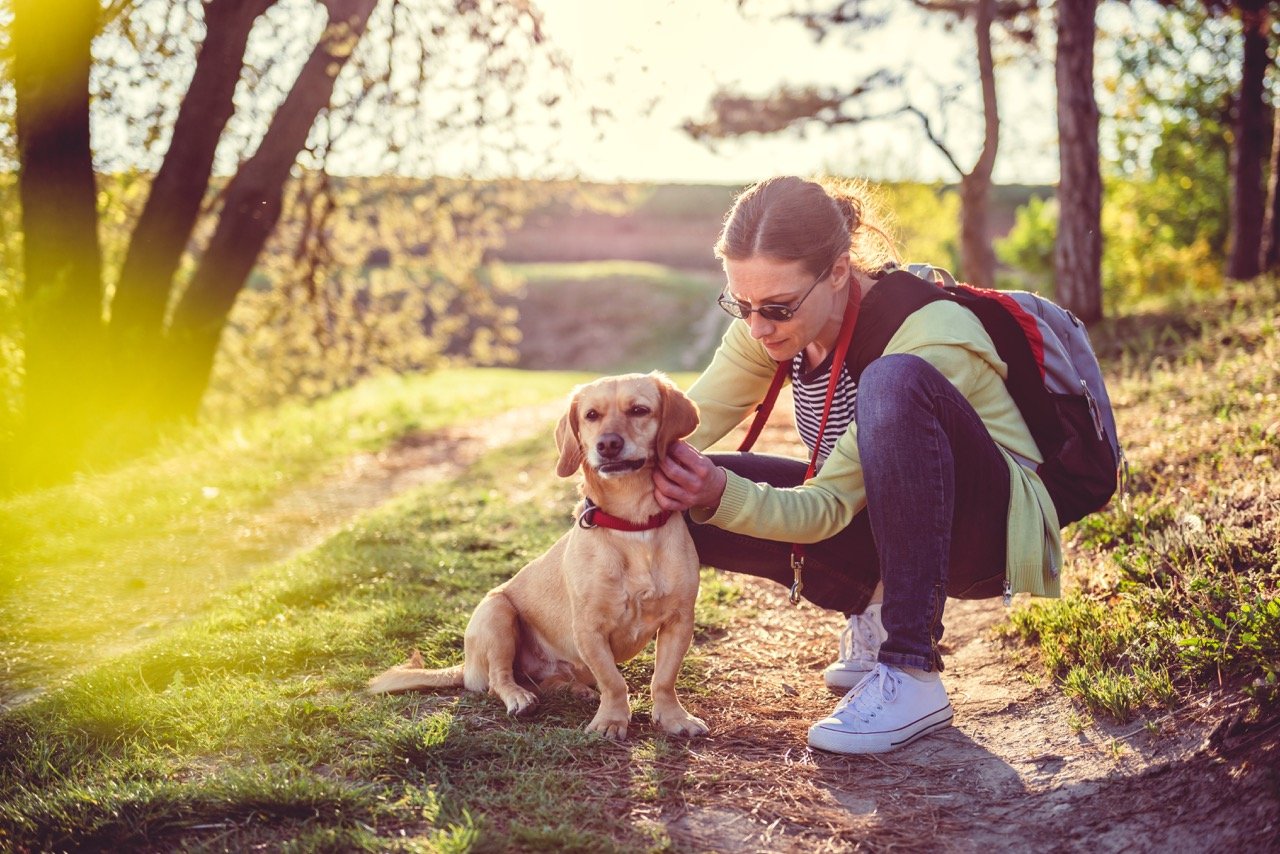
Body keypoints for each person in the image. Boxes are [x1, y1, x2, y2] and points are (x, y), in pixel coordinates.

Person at [653, 175, 1062, 755]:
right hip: (882, 518)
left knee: (890, 383)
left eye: (776, 307)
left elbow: (825, 508)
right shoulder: (770, 327)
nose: (758, 326)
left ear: (839, 272)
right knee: (669, 485)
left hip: (983, 537)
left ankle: (912, 670)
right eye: (741, 305)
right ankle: (873, 603)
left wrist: (722, 492)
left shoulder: (928, 335)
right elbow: (680, 427)